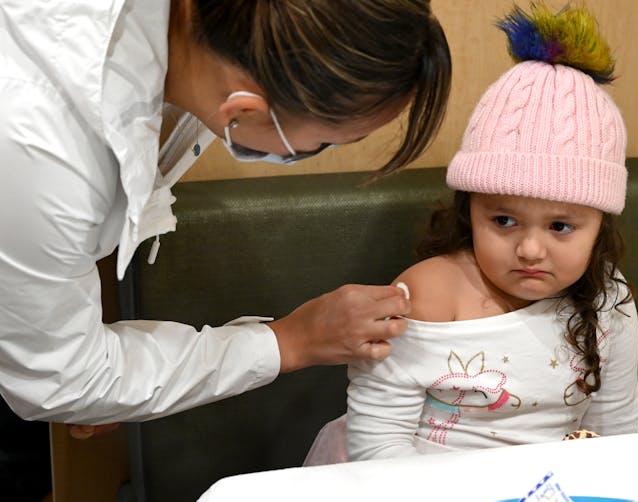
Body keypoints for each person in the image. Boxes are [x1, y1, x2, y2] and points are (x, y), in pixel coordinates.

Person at [0, 0, 451, 435]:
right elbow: (62, 378)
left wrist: (120, 382)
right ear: (242, 110)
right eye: (325, 142)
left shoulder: (193, 43)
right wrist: (289, 342)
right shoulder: (46, 152)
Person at [304, 3, 638, 464]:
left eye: (561, 226)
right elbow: (379, 445)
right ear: (469, 210)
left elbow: (614, 432)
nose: (530, 249)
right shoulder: (427, 297)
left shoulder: (610, 299)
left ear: (601, 224)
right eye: (503, 220)